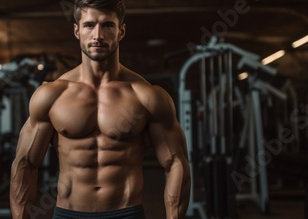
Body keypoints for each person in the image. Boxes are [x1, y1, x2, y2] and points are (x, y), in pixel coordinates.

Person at [10, 0, 191, 218]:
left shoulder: (147, 96)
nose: (97, 35)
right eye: (89, 25)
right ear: (77, 30)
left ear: (121, 31)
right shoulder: (51, 95)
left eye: (107, 25)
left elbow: (176, 163)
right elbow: (26, 164)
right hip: (69, 214)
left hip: (126, 213)